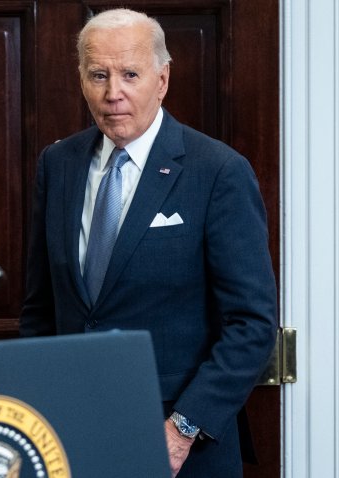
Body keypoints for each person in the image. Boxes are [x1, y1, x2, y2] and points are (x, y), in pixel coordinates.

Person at [19, 8, 277, 477]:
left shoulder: (217, 171)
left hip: (181, 441)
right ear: (81, 79)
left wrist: (181, 429)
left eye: (130, 74)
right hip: (71, 433)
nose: (112, 92)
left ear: (162, 80)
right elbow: (40, 309)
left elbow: (252, 324)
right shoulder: (57, 164)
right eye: (98, 75)